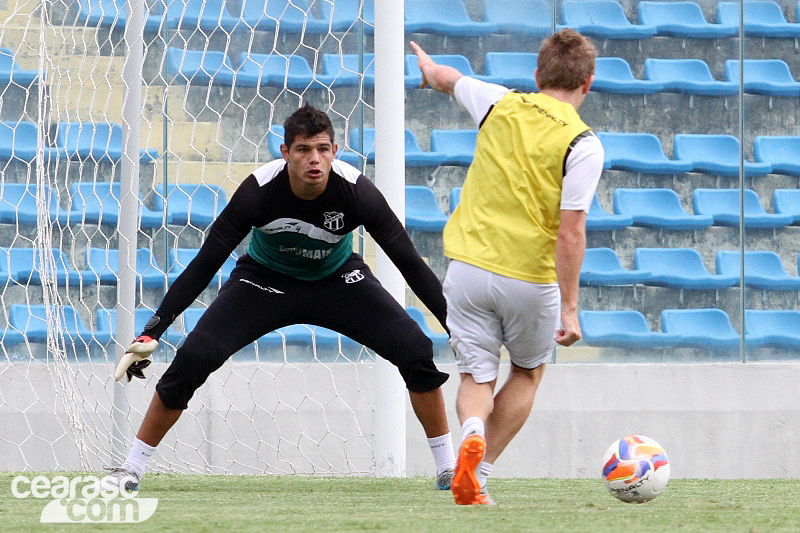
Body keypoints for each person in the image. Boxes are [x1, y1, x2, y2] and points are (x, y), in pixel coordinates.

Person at [100, 103, 456, 492]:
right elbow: (205, 263)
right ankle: (131, 469)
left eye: (322, 149)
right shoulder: (258, 192)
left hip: (338, 280)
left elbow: (411, 264)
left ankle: (449, 469)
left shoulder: (357, 193)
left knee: (416, 348)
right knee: (195, 356)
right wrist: (154, 329)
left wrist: (457, 327)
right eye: (303, 150)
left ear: (335, 151)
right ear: (285, 153)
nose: (314, 159)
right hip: (264, 282)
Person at [410, 29, 604, 505]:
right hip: (528, 279)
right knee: (527, 371)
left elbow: (446, 78)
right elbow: (570, 231)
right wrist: (571, 309)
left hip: (469, 269)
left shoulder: (499, 102)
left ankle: (471, 430)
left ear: (538, 75)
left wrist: (427, 68)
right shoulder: (583, 144)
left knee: (476, 376)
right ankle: (481, 468)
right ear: (589, 83)